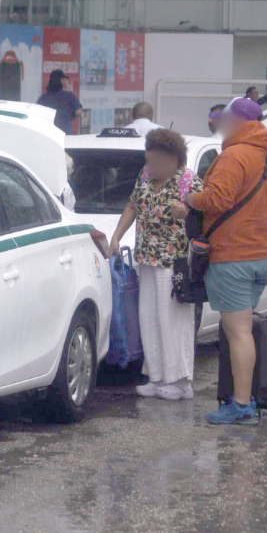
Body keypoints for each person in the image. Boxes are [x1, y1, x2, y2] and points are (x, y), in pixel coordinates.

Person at [179, 97, 267, 425]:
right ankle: (246, 396)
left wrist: (188, 201)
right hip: (262, 256)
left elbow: (217, 198)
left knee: (237, 332)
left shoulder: (234, 156)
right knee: (243, 329)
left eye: (224, 119)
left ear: (238, 121)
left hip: (232, 256)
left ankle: (241, 405)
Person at [109, 129, 203, 402]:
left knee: (173, 321)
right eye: (150, 161)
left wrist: (187, 212)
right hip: (147, 259)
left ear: (175, 159)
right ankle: (157, 376)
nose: (154, 167)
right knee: (149, 318)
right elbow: (132, 206)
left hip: (175, 263)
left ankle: (181, 382)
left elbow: (206, 215)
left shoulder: (189, 182)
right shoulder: (145, 176)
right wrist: (116, 236)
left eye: (159, 162)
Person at [37, 69, 83, 134]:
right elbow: (79, 112)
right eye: (64, 79)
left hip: (48, 135)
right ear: (61, 80)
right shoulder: (69, 96)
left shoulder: (43, 98)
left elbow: (37, 114)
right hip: (65, 134)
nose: (66, 81)